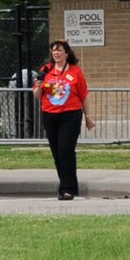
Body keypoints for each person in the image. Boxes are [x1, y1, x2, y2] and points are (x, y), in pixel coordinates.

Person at [35, 39, 93, 201]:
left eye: (60, 50)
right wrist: (39, 86)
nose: (56, 53)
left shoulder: (75, 72)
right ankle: (69, 185)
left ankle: (67, 189)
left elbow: (84, 95)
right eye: (54, 50)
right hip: (50, 115)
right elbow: (38, 95)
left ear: (66, 54)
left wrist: (88, 117)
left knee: (65, 150)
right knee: (57, 153)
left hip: (71, 115)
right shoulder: (46, 70)